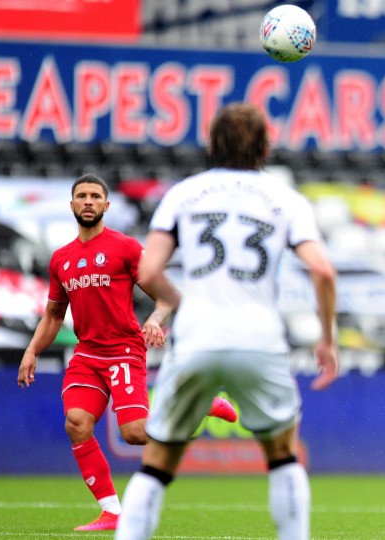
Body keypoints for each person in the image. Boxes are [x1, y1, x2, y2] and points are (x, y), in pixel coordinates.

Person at [114, 102, 339, 540]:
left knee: (158, 462)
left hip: (197, 336)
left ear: (211, 143)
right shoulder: (284, 198)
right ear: (265, 147)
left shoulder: (183, 193)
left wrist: (189, 300)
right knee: (283, 455)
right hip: (259, 338)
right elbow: (324, 271)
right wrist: (327, 340)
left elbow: (147, 272)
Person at [17, 173, 239, 532]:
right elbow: (54, 315)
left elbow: (168, 294)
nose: (87, 201)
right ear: (71, 205)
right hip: (87, 356)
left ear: (106, 205)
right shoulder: (61, 259)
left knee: (135, 433)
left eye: (94, 196)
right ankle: (111, 512)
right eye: (81, 196)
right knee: (77, 423)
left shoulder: (125, 248)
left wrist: (154, 319)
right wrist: (31, 351)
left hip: (123, 350)